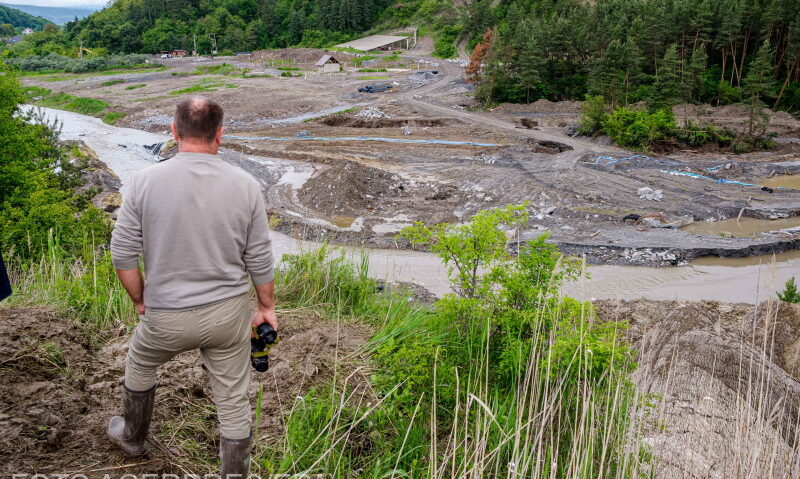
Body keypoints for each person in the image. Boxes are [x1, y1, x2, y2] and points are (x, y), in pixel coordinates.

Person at [109, 96, 277, 478]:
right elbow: (260, 258)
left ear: (173, 131)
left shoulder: (143, 181)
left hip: (165, 313)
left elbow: (122, 255)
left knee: (140, 362)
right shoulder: (246, 185)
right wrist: (266, 307)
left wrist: (140, 300)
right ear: (220, 134)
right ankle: (233, 474)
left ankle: (133, 438)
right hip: (227, 315)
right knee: (233, 397)